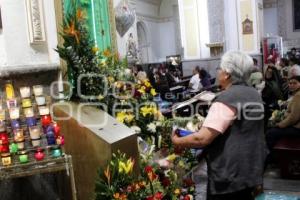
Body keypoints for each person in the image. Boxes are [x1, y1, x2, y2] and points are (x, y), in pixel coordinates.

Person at [171, 51, 266, 200]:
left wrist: (176, 141)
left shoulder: (228, 97)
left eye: (219, 68)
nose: (218, 71)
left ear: (227, 73)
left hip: (230, 174)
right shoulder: (253, 93)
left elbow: (202, 139)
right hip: (251, 168)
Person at [266, 76, 300, 150]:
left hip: (297, 129)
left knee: (270, 133)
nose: (292, 85)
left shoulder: (298, 96)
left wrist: (280, 125)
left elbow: (293, 118)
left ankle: (271, 156)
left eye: (295, 83)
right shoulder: (296, 95)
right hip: (296, 126)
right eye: (290, 83)